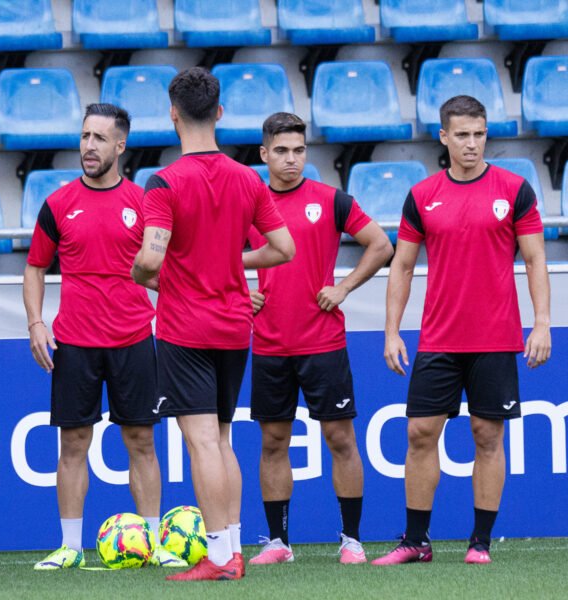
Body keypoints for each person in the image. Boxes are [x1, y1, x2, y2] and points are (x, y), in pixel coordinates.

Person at [132, 67, 295, 581]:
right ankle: (232, 548)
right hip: (233, 326)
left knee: (201, 440)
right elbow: (283, 249)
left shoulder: (164, 182)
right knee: (222, 438)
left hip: (186, 327)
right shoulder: (248, 177)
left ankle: (221, 557)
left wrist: (139, 272)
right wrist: (230, 261)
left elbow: (150, 261)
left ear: (173, 114)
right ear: (219, 113)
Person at [374, 95, 551, 566]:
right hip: (439, 338)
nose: (473, 144)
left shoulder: (515, 189)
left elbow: (535, 259)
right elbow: (402, 266)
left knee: (487, 436)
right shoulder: (423, 194)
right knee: (419, 434)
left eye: (479, 134)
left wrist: (542, 323)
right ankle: (416, 541)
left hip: (495, 337)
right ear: (444, 137)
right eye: (463, 135)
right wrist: (391, 331)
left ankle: (480, 543)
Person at [24, 103, 181, 570]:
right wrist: (36, 322)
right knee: (73, 444)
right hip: (74, 343)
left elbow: (162, 273)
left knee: (142, 442)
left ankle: (150, 543)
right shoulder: (57, 203)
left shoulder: (143, 202)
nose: (88, 146)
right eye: (84, 136)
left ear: (120, 145)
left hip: (134, 339)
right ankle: (71, 546)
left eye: (99, 138)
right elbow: (34, 268)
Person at [247, 112, 393, 566]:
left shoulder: (330, 200)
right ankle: (278, 543)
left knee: (341, 439)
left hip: (322, 342)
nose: (292, 159)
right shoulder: (246, 203)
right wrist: (238, 290)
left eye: (299, 150)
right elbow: (216, 256)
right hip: (269, 343)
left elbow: (381, 245)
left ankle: (351, 540)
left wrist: (344, 286)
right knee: (273, 442)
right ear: (264, 154)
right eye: (283, 151)